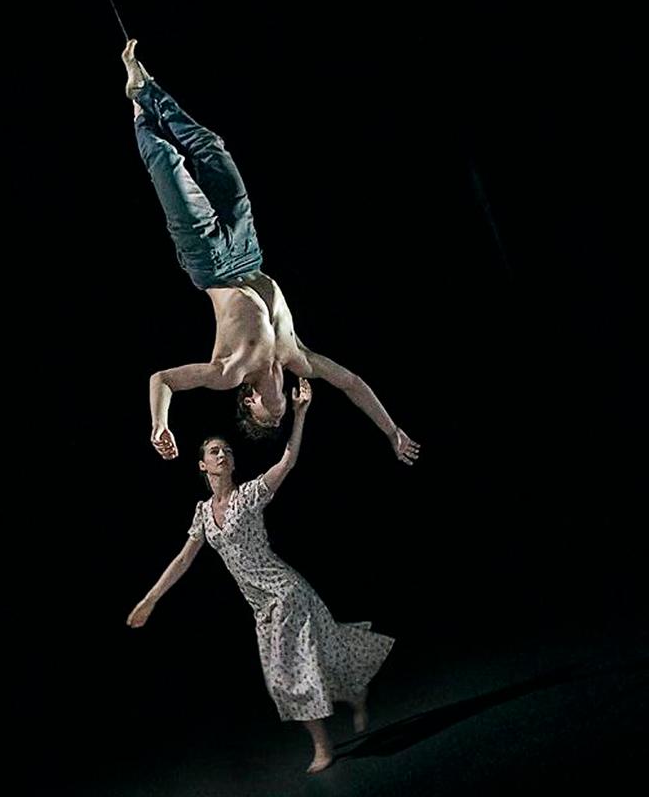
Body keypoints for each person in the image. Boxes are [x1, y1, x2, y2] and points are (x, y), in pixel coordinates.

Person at [121, 39, 421, 466]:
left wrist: (159, 423)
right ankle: (146, 87)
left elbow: (163, 379)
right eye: (274, 422)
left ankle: (138, 108)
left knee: (169, 166)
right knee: (213, 150)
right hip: (248, 251)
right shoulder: (298, 356)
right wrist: (392, 430)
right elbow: (352, 383)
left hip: (211, 262)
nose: (273, 417)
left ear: (249, 404)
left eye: (264, 420)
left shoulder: (230, 371)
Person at [127, 379, 395, 773]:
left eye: (227, 450)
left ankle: (323, 746)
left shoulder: (249, 495)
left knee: (294, 670)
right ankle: (355, 696)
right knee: (305, 664)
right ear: (202, 465)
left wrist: (300, 414)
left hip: (287, 593)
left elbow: (287, 461)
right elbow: (183, 560)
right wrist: (149, 600)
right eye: (215, 451)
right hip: (262, 608)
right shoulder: (203, 514)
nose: (223, 454)